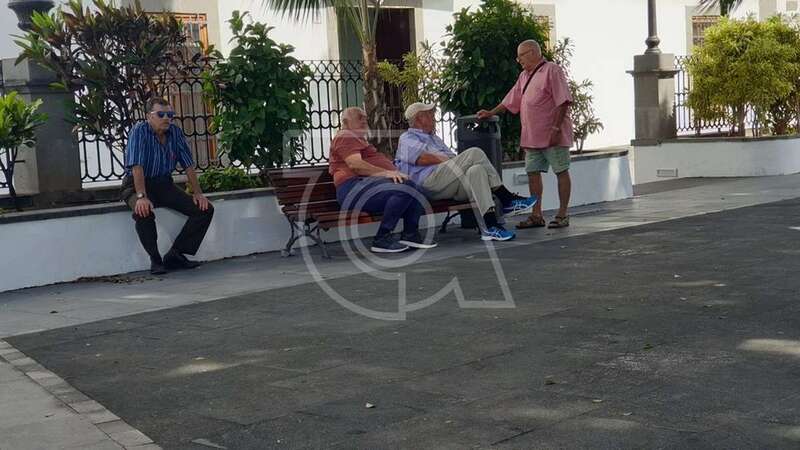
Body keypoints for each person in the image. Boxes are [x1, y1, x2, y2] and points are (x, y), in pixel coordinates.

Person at [396, 102, 537, 241]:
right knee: (474, 153)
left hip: (447, 183)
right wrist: (449, 160)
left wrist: (451, 160)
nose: (433, 117)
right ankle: (506, 198)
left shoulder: (435, 139)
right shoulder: (407, 138)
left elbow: (452, 159)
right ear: (420, 118)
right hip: (429, 182)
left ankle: (492, 226)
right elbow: (423, 159)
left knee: (477, 170)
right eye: (430, 114)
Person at [477, 39, 574, 229]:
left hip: (552, 135)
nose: (518, 60)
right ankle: (536, 215)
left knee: (561, 171)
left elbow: (563, 101)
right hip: (532, 136)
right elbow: (511, 98)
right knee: (532, 173)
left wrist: (555, 128)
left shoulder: (551, 70)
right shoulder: (524, 76)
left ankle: (562, 214)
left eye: (520, 55)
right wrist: (491, 112)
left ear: (532, 53)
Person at [121, 98, 214, 275]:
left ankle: (175, 255)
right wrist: (141, 196)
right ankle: (155, 260)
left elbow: (188, 164)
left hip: (163, 184)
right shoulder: (139, 132)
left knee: (205, 210)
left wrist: (198, 194)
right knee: (143, 212)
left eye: (170, 115)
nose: (166, 118)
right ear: (149, 116)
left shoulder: (175, 133)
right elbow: (137, 167)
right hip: (136, 185)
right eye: (161, 114)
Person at [330, 106, 437, 253]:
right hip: (353, 188)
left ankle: (410, 235)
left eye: (365, 117)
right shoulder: (345, 136)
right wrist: (387, 173)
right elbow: (355, 165)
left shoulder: (357, 139)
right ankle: (382, 238)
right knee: (405, 188)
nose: (364, 120)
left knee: (414, 187)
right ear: (345, 122)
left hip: (364, 185)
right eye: (359, 117)